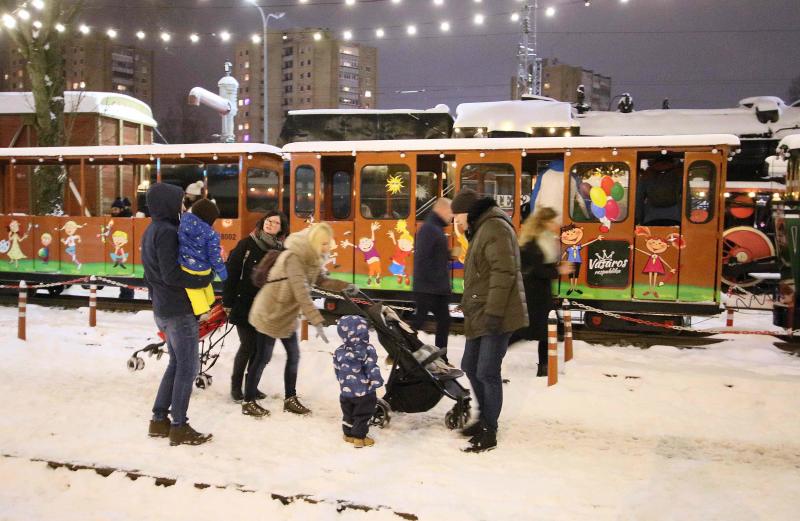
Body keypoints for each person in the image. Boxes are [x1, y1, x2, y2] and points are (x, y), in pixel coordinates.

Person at [246, 223, 354, 417]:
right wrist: (316, 319)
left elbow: (321, 281)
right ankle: (248, 401)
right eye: (323, 243)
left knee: (294, 356)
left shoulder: (313, 258)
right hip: (270, 312)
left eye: (327, 243)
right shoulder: (294, 257)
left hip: (286, 315)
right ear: (313, 242)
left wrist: (345, 286)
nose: (326, 247)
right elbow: (301, 291)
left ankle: (290, 399)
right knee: (262, 358)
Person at [451, 188, 528, 453]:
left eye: (457, 216)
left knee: (486, 371)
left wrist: (494, 312)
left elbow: (503, 272)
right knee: (470, 365)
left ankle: (489, 430)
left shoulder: (494, 227)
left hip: (497, 313)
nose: (456, 223)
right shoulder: (481, 228)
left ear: (467, 212)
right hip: (481, 310)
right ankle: (482, 418)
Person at [142, 183, 214, 446]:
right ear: (169, 203)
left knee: (175, 364)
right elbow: (171, 274)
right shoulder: (169, 232)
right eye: (181, 202)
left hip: (163, 308)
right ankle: (179, 426)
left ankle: (159, 420)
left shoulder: (151, 229)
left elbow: (150, 274)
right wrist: (204, 278)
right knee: (188, 367)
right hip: (179, 310)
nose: (184, 207)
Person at [223, 211, 289, 403]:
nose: (270, 224)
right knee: (248, 346)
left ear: (281, 229)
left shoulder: (281, 251)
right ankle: (236, 388)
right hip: (244, 304)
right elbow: (232, 273)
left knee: (261, 351)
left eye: (275, 223)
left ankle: (251, 385)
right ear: (263, 223)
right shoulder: (247, 244)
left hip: (267, 307)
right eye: (269, 221)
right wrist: (228, 302)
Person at [514, 207, 573, 377]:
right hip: (533, 293)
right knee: (524, 331)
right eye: (554, 220)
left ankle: (544, 367)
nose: (557, 224)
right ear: (545, 222)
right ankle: (495, 354)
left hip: (541, 292)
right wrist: (559, 271)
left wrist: (556, 269)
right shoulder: (534, 242)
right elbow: (537, 270)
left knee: (546, 330)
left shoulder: (544, 238)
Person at [333, 315, 384, 448]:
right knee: (363, 415)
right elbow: (371, 367)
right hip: (364, 393)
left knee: (348, 414)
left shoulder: (339, 351)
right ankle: (359, 438)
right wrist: (376, 381)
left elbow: (337, 369)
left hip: (345, 392)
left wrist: (342, 382)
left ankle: (348, 434)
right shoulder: (367, 350)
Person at [411, 198, 453, 349]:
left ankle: (442, 356)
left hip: (433, 287)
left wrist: (449, 254)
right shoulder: (430, 228)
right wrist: (434, 280)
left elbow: (434, 254)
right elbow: (423, 257)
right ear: (441, 210)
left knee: (441, 321)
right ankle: (401, 349)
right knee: (420, 322)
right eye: (450, 212)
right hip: (429, 288)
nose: (452, 216)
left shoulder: (434, 227)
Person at [178, 199, 227, 317]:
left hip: (185, 266)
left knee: (193, 290)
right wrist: (221, 270)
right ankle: (205, 310)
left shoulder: (182, 224)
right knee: (205, 285)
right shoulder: (210, 234)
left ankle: (204, 309)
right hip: (204, 268)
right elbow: (214, 255)